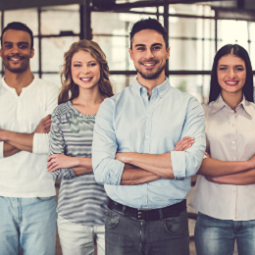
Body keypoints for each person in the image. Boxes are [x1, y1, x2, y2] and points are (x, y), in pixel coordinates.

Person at [92, 18, 206, 255]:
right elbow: (103, 170)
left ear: (167, 51)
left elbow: (190, 164)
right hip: (120, 222)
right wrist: (169, 162)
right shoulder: (110, 107)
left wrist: (125, 156)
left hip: (170, 224)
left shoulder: (189, 106)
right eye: (141, 48)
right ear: (131, 53)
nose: (149, 55)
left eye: (156, 47)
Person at [47, 39, 113, 255]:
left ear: (101, 67)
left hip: (113, 215)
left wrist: (75, 160)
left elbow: (123, 163)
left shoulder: (116, 110)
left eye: (91, 63)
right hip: (71, 216)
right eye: (78, 64)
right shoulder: (61, 114)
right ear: (70, 70)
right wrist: (104, 164)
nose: (85, 70)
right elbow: (57, 169)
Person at [190, 44, 255, 255]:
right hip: (212, 215)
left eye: (239, 68)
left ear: (248, 72)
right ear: (215, 72)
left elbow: (210, 168)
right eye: (223, 68)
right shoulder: (200, 115)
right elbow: (199, 164)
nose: (231, 75)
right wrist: (248, 164)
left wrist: (218, 173)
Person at [0, 22, 59, 255]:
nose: (16, 51)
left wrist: (3, 134)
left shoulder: (50, 91)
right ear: (1, 50)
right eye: (9, 45)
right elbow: (39, 143)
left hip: (41, 198)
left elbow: (49, 145)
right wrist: (33, 137)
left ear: (32, 52)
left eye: (22, 46)